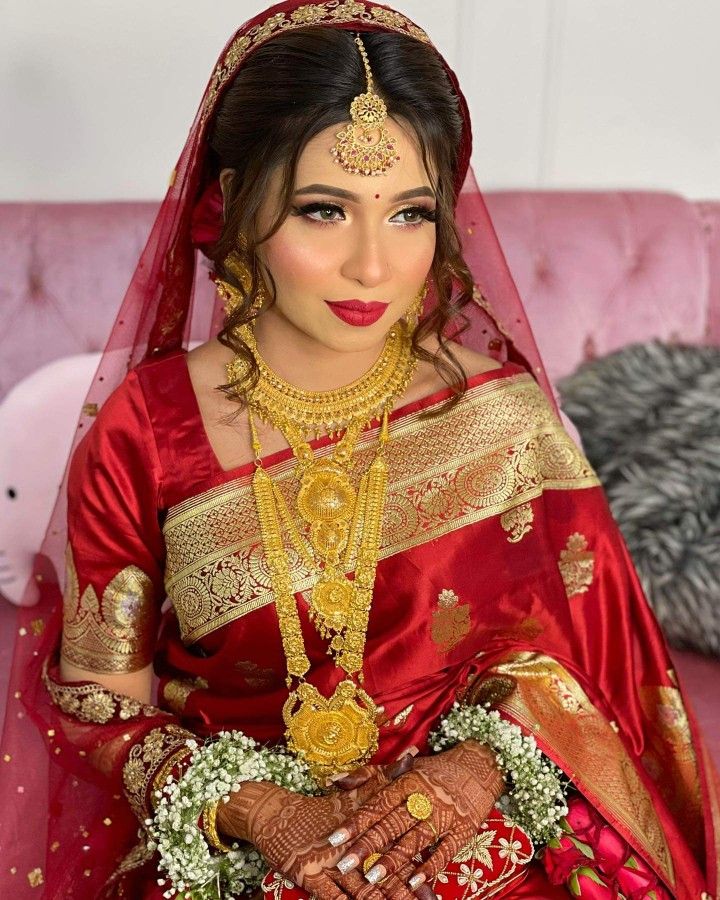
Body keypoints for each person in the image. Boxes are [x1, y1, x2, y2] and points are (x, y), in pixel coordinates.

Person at [0, 2, 717, 898]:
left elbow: (597, 670)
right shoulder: (145, 431)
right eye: (323, 210)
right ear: (233, 204)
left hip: (484, 829)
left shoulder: (500, 416)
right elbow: (96, 701)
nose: (374, 266)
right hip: (251, 850)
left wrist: (475, 772)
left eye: (411, 212)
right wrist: (260, 810)